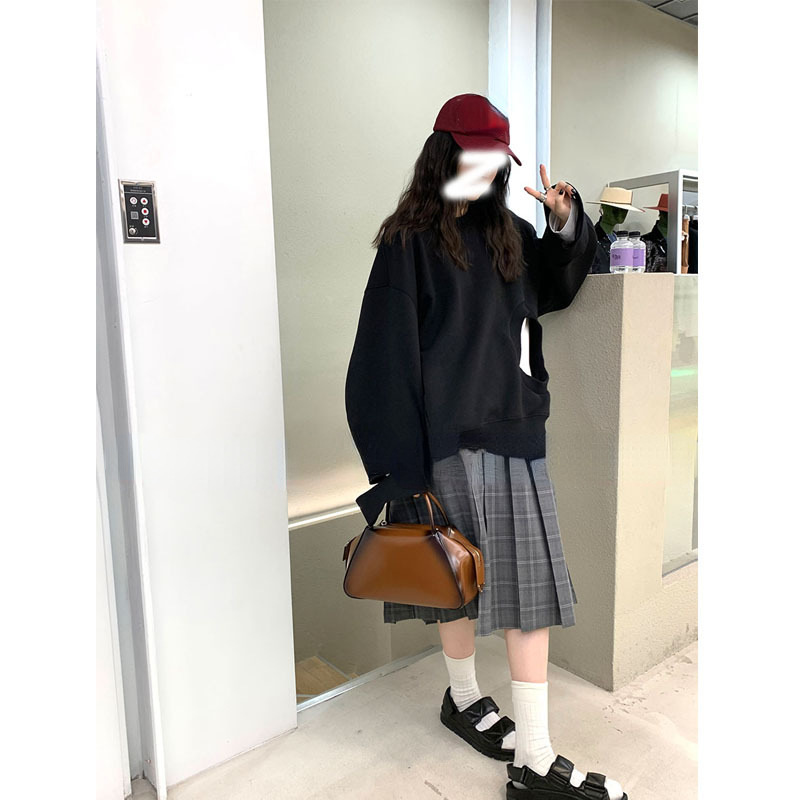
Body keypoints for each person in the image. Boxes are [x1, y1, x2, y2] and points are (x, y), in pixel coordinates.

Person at [345, 94, 627, 800]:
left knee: (523, 591)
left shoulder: (510, 233)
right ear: (445, 156)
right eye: (476, 158)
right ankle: (474, 707)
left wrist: (564, 222)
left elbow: (556, 286)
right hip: (444, 441)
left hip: (512, 428)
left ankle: (525, 749)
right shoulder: (408, 243)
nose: (489, 171)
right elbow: (381, 360)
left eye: (497, 161)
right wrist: (400, 470)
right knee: (455, 582)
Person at [584, 186, 644, 273]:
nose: (621, 213)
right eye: (616, 208)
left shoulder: (619, 239)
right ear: (604, 207)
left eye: (625, 210)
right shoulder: (591, 238)